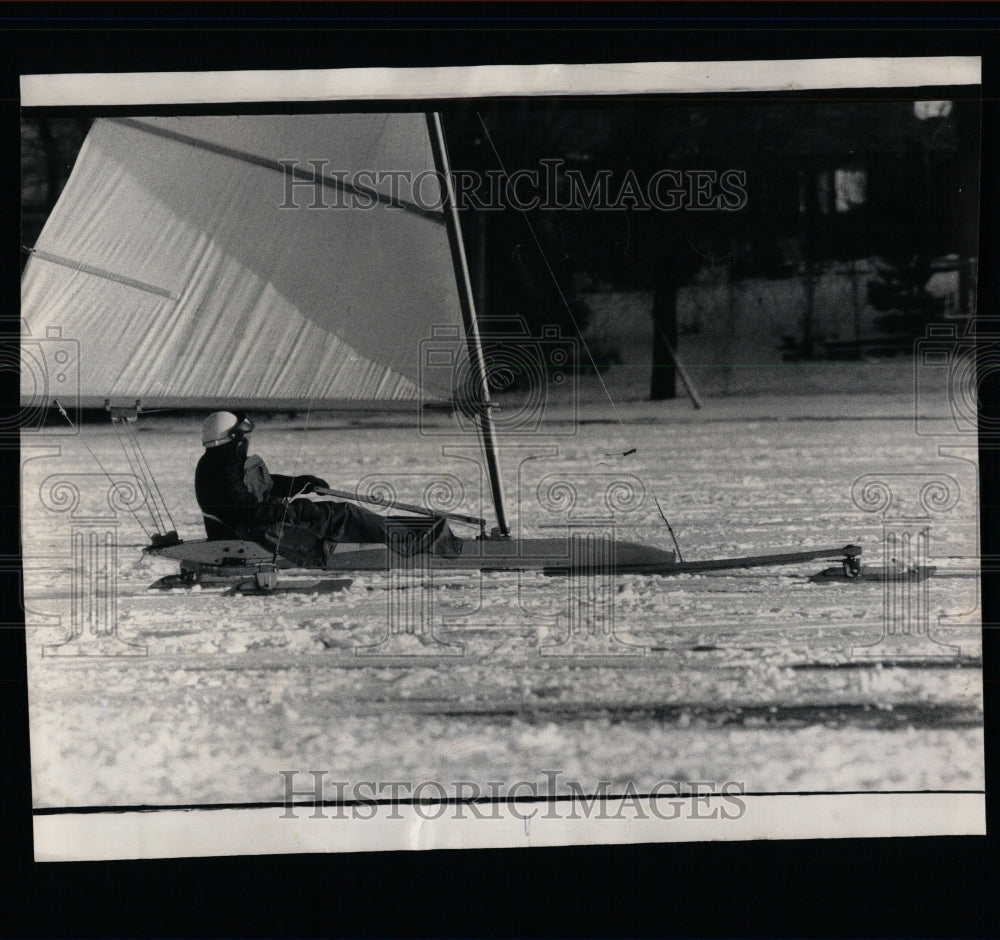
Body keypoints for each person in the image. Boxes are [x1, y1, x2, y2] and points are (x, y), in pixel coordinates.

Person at [194, 411, 458, 567]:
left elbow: (259, 487)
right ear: (235, 440)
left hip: (265, 524)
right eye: (244, 437)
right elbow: (248, 512)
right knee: (345, 515)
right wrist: (297, 510)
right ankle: (419, 545)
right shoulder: (221, 471)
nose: (248, 442)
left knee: (342, 514)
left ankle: (417, 534)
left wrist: (299, 483)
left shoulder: (219, 463)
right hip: (265, 532)